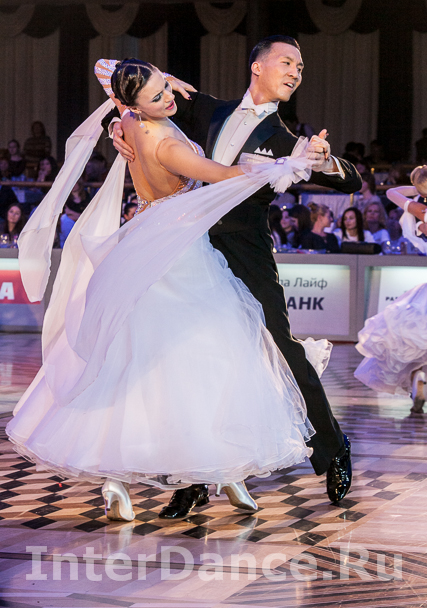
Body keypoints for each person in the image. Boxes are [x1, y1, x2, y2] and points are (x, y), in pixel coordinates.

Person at [7, 58, 328, 523]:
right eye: (157, 96)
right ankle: (203, 469)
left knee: (135, 360)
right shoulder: (164, 143)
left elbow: (104, 66)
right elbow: (222, 175)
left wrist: (145, 98)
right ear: (135, 104)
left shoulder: (131, 120)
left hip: (144, 238)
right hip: (178, 252)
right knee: (197, 359)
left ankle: (152, 478)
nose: (169, 99)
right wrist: (288, 164)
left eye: (165, 88)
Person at [111, 35, 362, 514]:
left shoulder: (288, 141)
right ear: (257, 66)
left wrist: (324, 159)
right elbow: (120, 77)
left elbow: (351, 178)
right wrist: (119, 122)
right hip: (192, 249)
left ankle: (332, 446)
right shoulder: (207, 110)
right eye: (287, 62)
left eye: (300, 67)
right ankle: (193, 476)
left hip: (246, 252)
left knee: (281, 347)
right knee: (189, 359)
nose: (296, 72)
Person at [355, 166, 427, 413]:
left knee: (416, 341)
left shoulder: (420, 210)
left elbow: (392, 193)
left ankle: (419, 380)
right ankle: (419, 381)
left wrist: (417, 189)